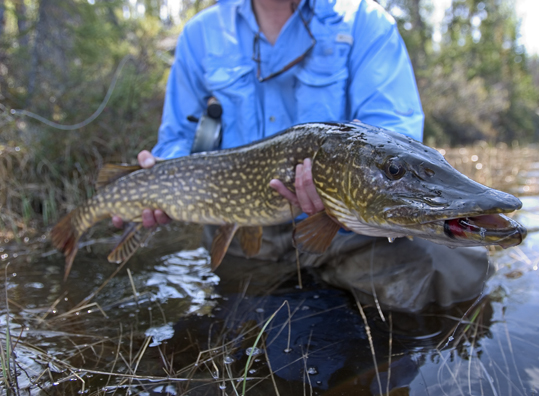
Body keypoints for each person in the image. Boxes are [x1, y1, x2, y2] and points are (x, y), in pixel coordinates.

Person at [113, 0, 491, 312]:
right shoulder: (202, 33)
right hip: (238, 221)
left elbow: (396, 146)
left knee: (456, 267)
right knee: (241, 319)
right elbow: (176, 138)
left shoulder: (364, 22)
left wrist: (341, 204)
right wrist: (156, 179)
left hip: (347, 225)